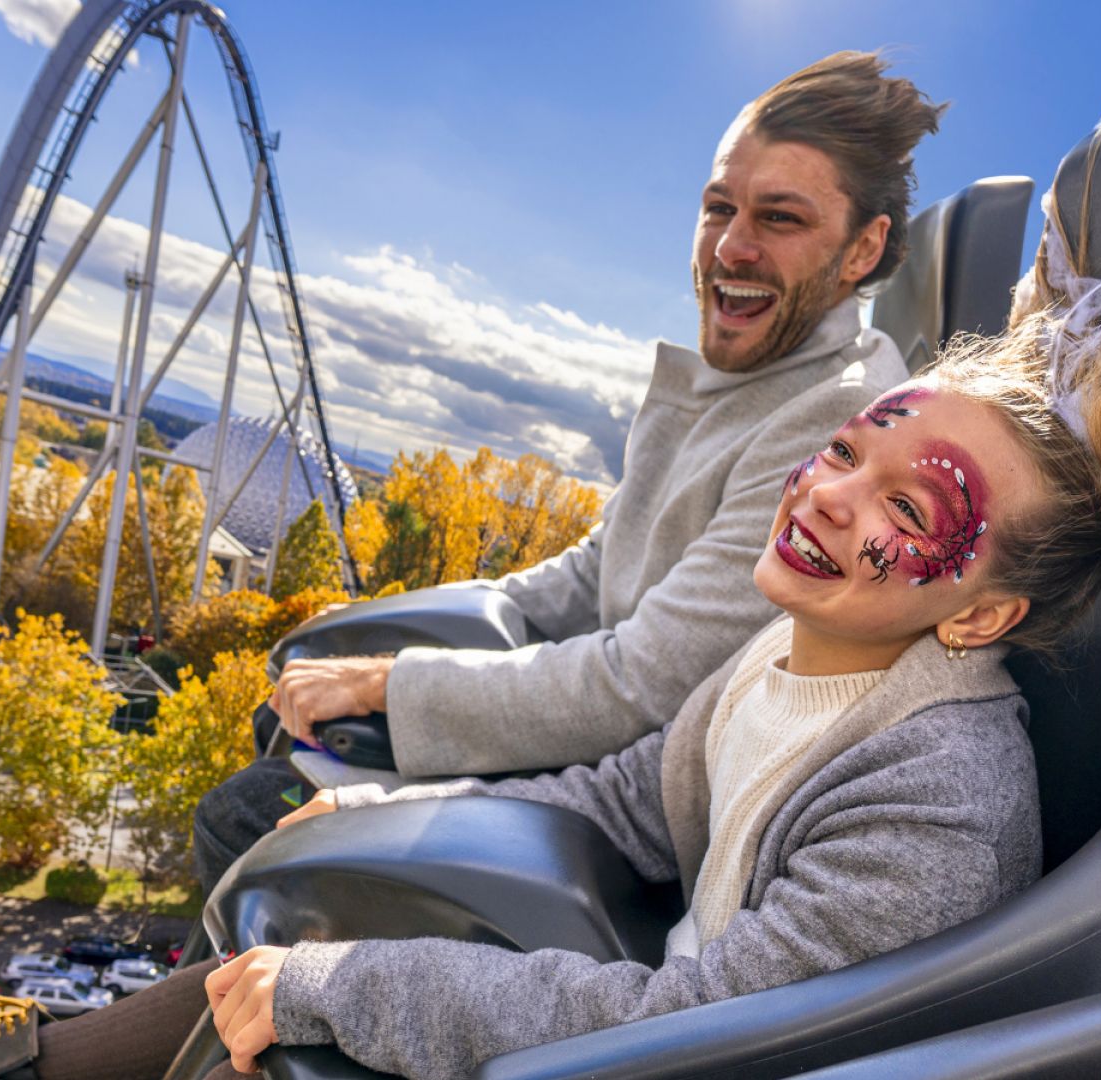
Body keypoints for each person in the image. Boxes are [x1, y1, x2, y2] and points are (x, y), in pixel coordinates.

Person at [0, 269, 1101, 1080]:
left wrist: (349, 985)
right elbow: (633, 790)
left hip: (682, 1052)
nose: (834, 495)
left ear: (978, 614)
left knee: (305, 1003)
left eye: (919, 513)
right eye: (852, 452)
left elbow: (685, 1029)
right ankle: (20, 1058)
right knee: (292, 938)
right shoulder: (795, 650)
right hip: (670, 992)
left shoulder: (934, 792)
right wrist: (414, 796)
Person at [189, 51, 942, 893]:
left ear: (861, 249)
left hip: (639, 803)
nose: (732, 246)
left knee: (255, 819)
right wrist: (385, 631)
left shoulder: (836, 422)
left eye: (781, 219)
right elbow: (593, 572)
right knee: (287, 706)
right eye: (718, 207)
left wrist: (393, 685)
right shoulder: (743, 378)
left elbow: (645, 680)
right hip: (607, 739)